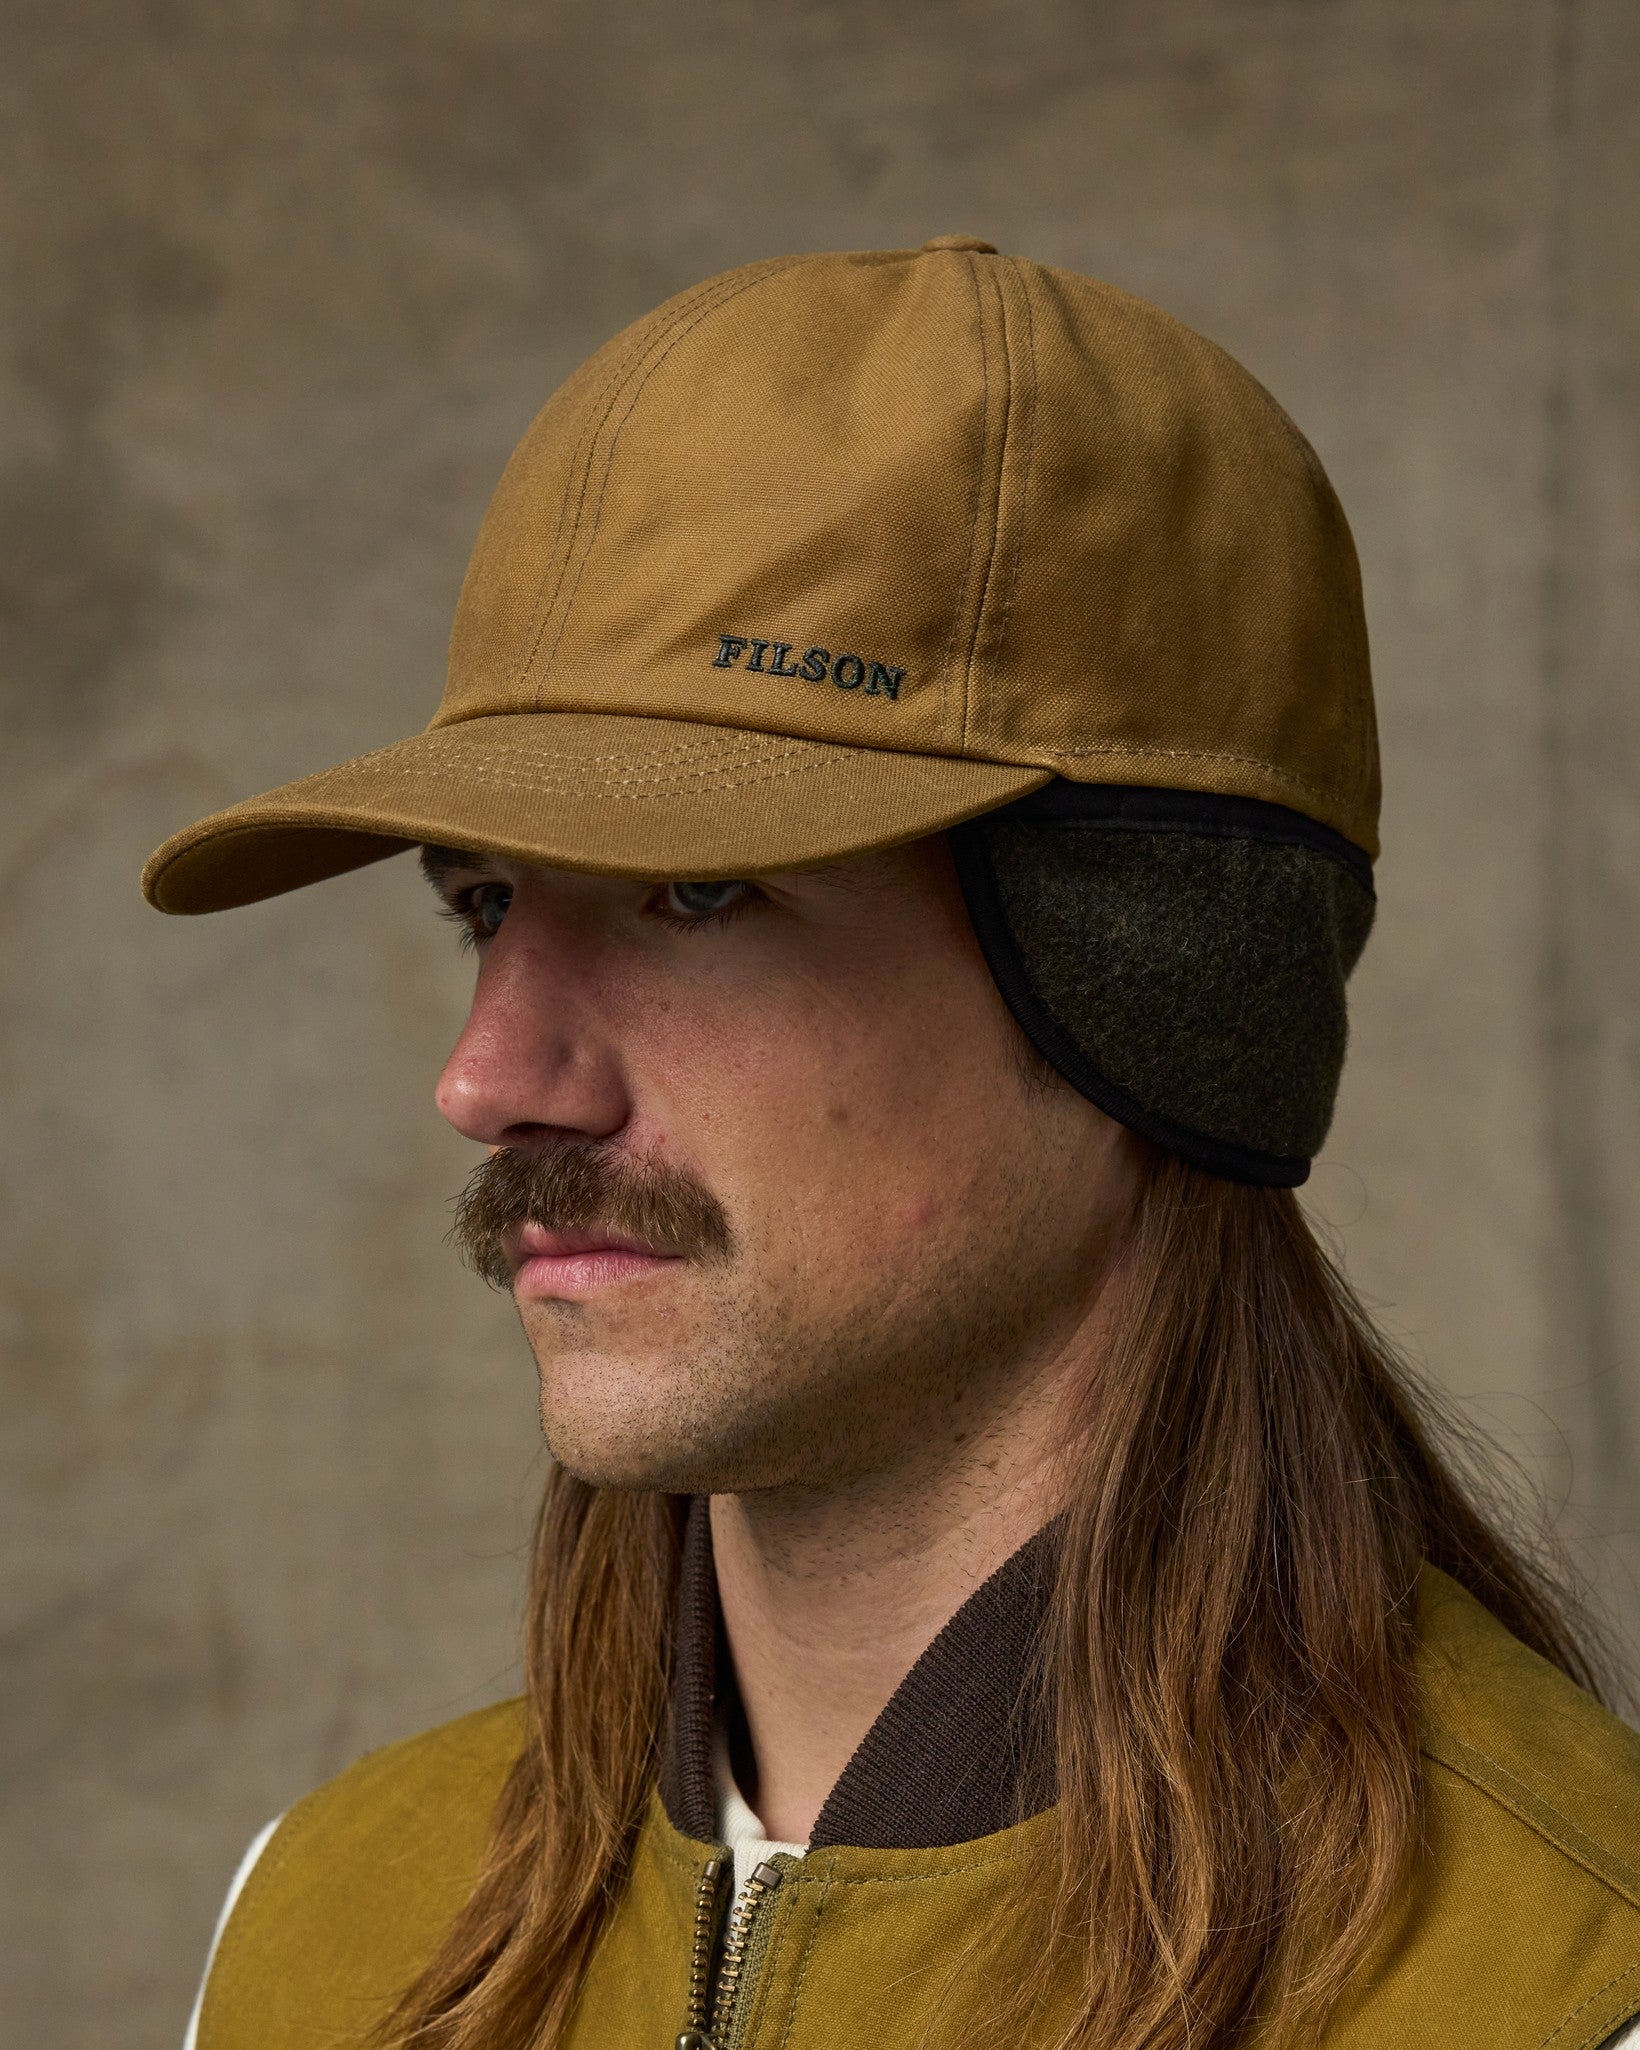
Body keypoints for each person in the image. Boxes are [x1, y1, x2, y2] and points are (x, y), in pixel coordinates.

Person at [146, 237, 1640, 2050]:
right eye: (486, 904)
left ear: (1150, 982)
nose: (490, 1077)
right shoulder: (322, 1931)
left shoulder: (1560, 1991)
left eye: (702, 892)